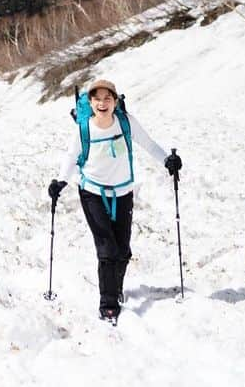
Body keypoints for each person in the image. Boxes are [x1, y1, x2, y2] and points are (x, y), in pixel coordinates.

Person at [48, 79, 181, 322]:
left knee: (123, 251)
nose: (102, 103)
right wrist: (60, 182)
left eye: (107, 98)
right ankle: (108, 302)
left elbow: (149, 144)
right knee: (107, 249)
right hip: (92, 192)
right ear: (90, 102)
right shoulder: (84, 129)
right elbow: (71, 156)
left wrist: (167, 161)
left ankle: (115, 286)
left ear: (115, 101)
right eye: (97, 99)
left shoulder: (126, 123)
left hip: (123, 192)